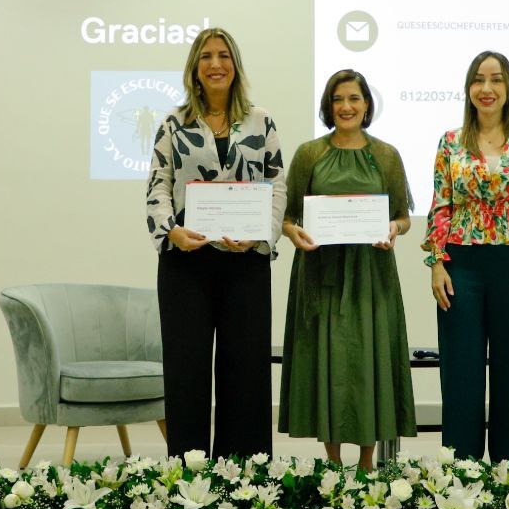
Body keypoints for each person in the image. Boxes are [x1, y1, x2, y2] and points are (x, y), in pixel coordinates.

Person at [146, 27, 286, 460]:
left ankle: (245, 480)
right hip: (186, 263)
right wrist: (171, 231)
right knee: (186, 373)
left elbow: (277, 185)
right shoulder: (173, 123)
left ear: (235, 65)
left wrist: (261, 232)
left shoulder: (260, 120)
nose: (215, 63)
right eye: (206, 56)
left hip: (244, 263)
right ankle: (188, 478)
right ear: (195, 68)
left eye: (223, 55)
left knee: (244, 372)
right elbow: (158, 185)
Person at [422, 50, 509, 464]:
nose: (487, 88)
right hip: (462, 264)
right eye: (479, 80)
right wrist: (437, 264)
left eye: (496, 79)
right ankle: (458, 472)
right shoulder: (450, 142)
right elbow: (441, 205)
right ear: (468, 88)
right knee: (461, 372)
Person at [279, 69, 417, 472]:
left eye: (354, 98)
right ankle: (334, 464)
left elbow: (402, 217)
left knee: (368, 361)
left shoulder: (387, 155)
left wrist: (394, 229)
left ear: (367, 105)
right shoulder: (309, 153)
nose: (346, 106)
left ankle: (369, 464)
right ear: (328, 105)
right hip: (320, 274)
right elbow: (288, 218)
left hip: (371, 274)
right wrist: (293, 233)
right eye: (338, 99)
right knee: (329, 363)